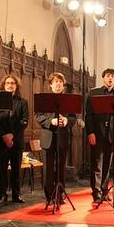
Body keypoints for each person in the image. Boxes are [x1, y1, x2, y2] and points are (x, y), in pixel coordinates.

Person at [35, 72, 77, 204]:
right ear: (50, 85)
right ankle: (50, 197)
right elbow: (38, 116)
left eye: (60, 82)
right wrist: (50, 122)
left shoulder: (68, 99)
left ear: (63, 85)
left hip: (63, 137)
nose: (58, 84)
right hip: (48, 137)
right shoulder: (43, 99)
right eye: (56, 82)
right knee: (48, 170)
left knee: (60, 168)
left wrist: (66, 121)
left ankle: (60, 195)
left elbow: (73, 117)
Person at [85, 68, 114, 204]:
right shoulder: (93, 93)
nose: (110, 78)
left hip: (112, 135)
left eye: (113, 76)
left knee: (107, 165)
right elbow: (88, 115)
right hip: (97, 134)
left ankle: (104, 192)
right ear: (103, 78)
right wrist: (90, 132)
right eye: (108, 76)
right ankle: (96, 193)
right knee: (97, 165)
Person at [0, 75, 28, 204]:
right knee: (1, 170)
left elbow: (24, 121)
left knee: (16, 170)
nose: (10, 85)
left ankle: (16, 195)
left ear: (16, 86)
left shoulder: (22, 102)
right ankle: (1, 195)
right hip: (1, 142)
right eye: (7, 83)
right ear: (4, 85)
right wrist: (4, 136)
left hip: (16, 141)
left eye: (13, 83)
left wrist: (12, 135)